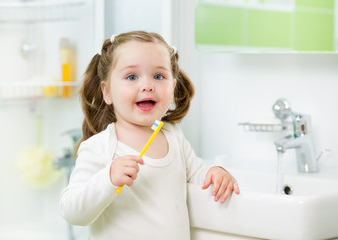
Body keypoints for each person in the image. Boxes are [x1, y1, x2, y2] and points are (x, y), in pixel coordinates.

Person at [59, 31, 240, 240]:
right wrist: (107, 179)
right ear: (107, 91)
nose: (147, 85)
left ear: (172, 88)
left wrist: (216, 172)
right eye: (132, 77)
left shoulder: (174, 137)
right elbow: (71, 210)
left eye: (158, 76)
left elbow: (197, 175)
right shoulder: (100, 147)